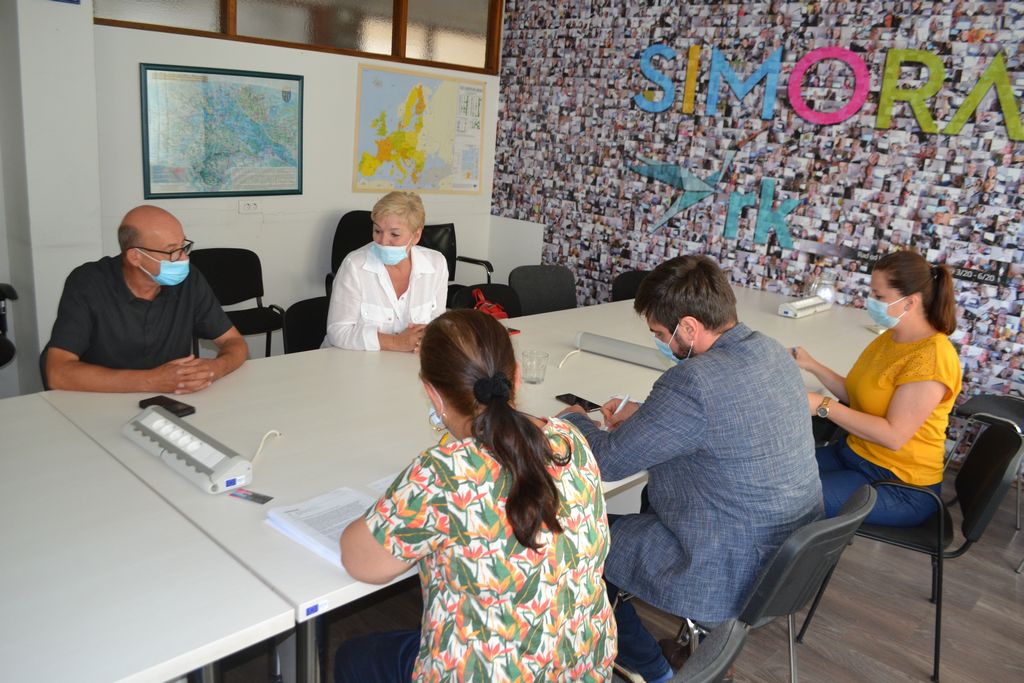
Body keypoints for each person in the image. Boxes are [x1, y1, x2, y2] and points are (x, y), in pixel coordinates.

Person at [558, 255, 822, 683]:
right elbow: (729, 419)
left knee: (577, 538)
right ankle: (695, 652)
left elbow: (605, 462)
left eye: (661, 334)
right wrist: (651, 417)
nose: (660, 342)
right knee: (642, 503)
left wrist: (574, 420)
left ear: (688, 328)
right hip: (789, 559)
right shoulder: (771, 351)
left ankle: (653, 670)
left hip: (726, 567)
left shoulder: (694, 381)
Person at [334, 310, 616, 682]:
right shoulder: (570, 441)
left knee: (353, 657)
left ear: (433, 394)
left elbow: (361, 562)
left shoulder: (444, 472)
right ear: (516, 377)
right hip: (583, 670)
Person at [793, 250, 961, 526]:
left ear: (910, 302)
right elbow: (859, 395)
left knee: (787, 498)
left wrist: (824, 406)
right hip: (854, 454)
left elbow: (893, 436)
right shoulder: (892, 338)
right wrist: (811, 365)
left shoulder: (932, 359)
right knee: (771, 472)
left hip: (898, 484)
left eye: (879, 296)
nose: (869, 301)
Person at [44, 205, 246, 393]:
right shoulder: (88, 283)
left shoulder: (189, 280)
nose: (184, 259)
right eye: (172, 251)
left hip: (171, 401)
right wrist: (152, 381)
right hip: (97, 399)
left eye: (183, 246)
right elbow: (57, 373)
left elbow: (234, 342)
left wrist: (215, 368)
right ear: (135, 256)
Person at [324, 192, 448, 352]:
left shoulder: (436, 264)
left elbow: (437, 325)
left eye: (394, 234)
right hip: (353, 360)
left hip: (410, 361)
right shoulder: (354, 265)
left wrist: (428, 338)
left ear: (416, 235)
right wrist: (397, 342)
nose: (383, 241)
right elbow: (338, 332)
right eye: (377, 231)